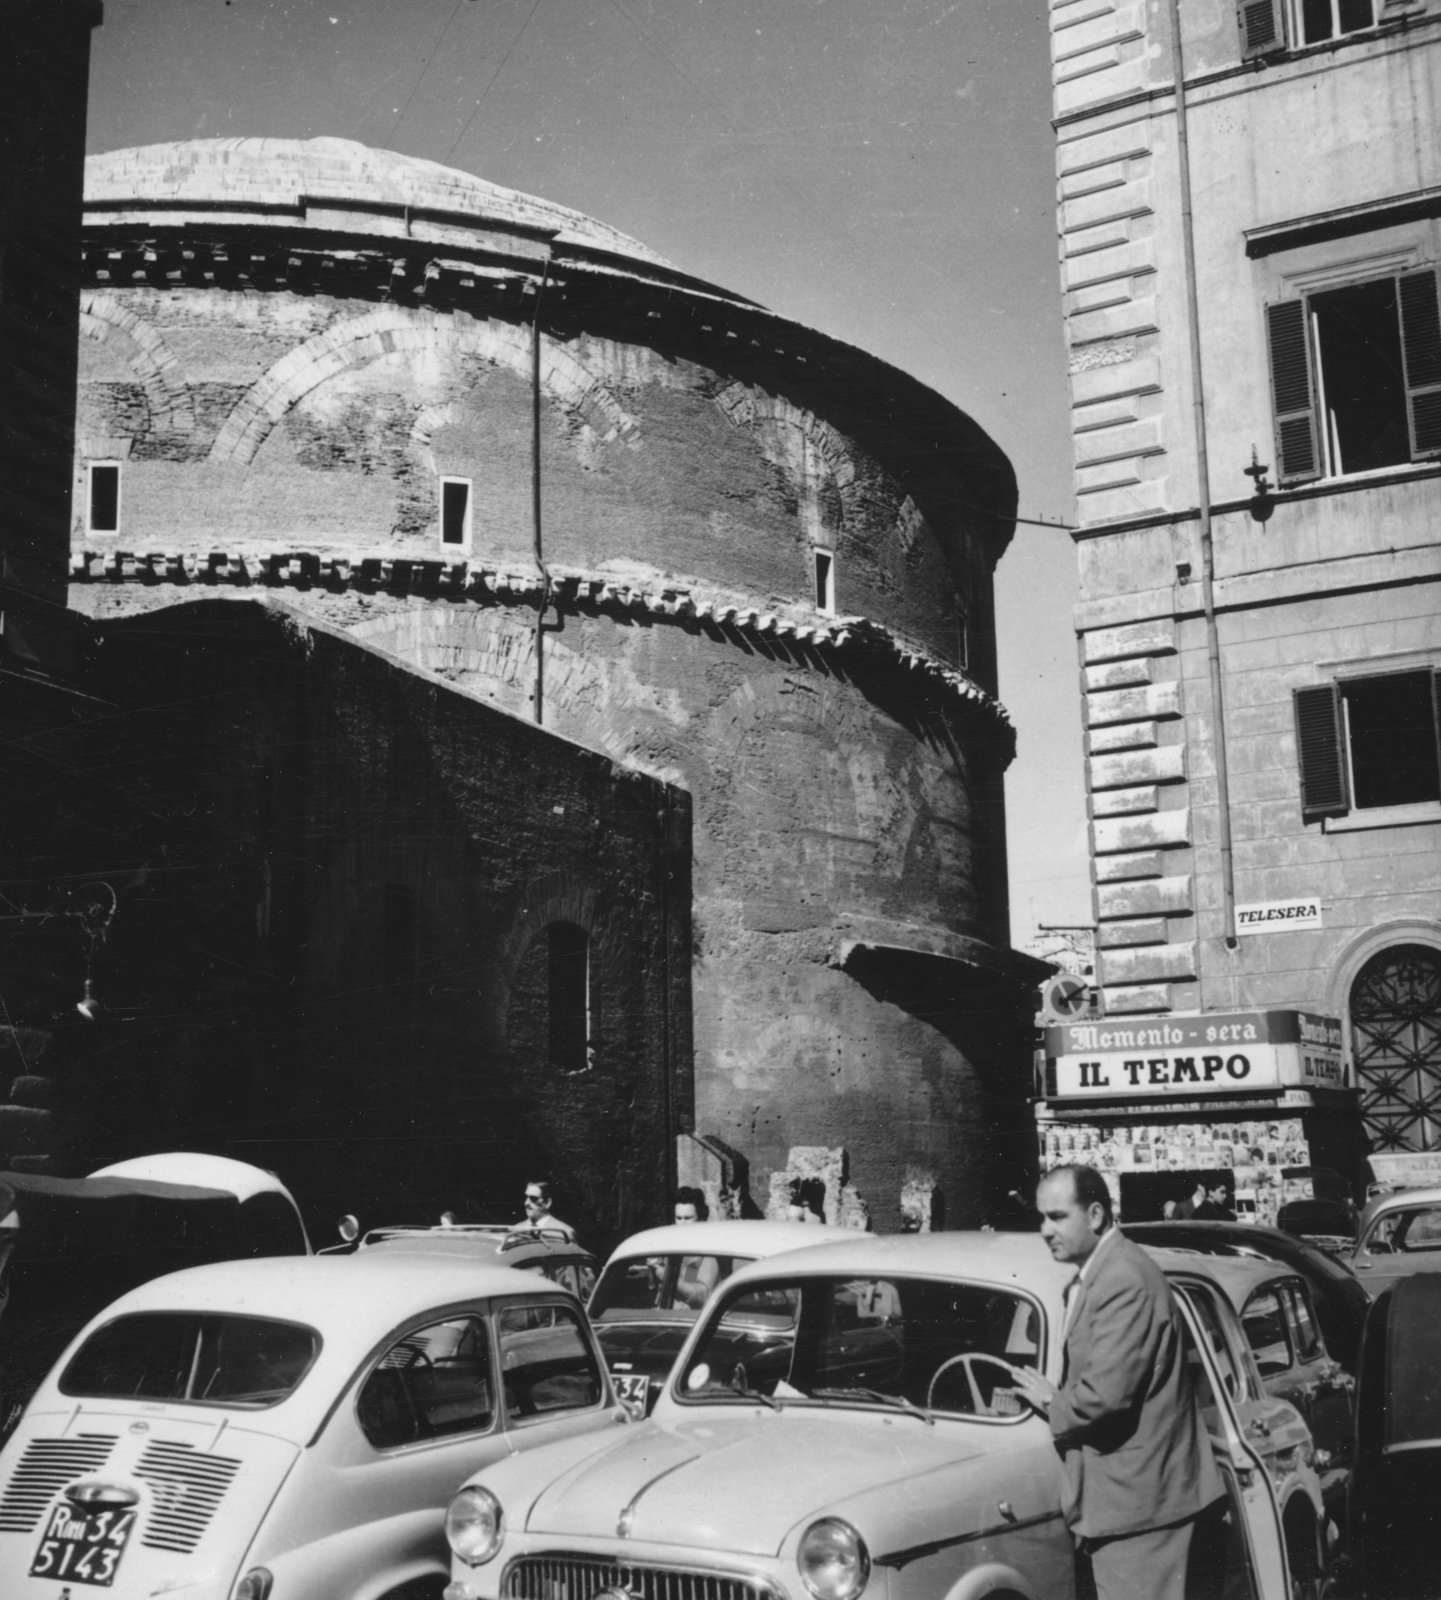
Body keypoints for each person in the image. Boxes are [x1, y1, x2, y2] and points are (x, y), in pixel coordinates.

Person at [1012, 1164, 1222, 1600]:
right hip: (1131, 1501)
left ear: (1095, 1215)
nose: (1045, 1230)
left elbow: (1103, 1396)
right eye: (1041, 1217)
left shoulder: (1122, 1278)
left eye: (1057, 1216)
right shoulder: (1102, 1272)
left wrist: (1052, 1400)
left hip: (1141, 1505)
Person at [508, 1180, 576, 1241]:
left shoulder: (564, 1233)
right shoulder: (515, 1230)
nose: (526, 1203)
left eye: (533, 1198)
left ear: (547, 1203)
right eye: (526, 1197)